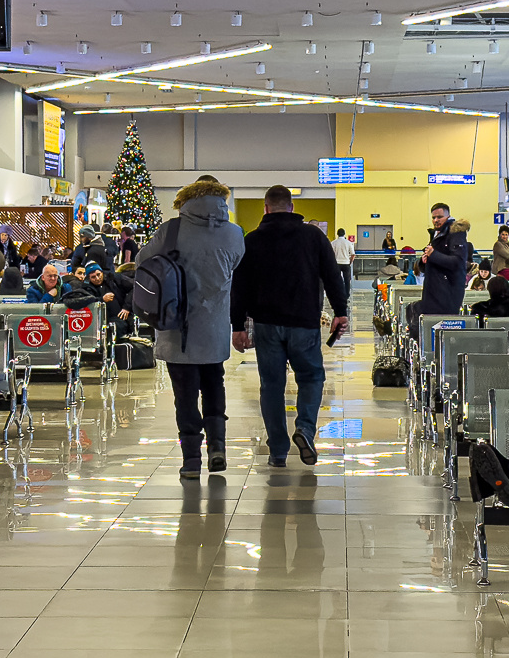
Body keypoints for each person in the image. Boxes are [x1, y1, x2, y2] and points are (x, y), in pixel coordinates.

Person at [231, 185, 348, 466]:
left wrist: (237, 326)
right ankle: (305, 429)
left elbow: (240, 286)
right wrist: (340, 312)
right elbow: (333, 275)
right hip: (304, 322)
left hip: (266, 324)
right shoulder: (313, 236)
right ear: (292, 207)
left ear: (266, 208)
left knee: (271, 385)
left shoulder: (252, 240)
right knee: (311, 378)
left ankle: (278, 451)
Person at [137, 179, 244, 476]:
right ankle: (217, 448)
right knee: (214, 387)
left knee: (184, 397)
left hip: (176, 329)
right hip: (215, 328)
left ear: (187, 198)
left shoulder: (170, 230)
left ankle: (191, 460)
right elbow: (235, 266)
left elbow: (142, 261)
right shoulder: (234, 233)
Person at [416, 202, 473, 318]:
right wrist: (424, 261)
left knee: (444, 325)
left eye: (439, 217)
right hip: (434, 291)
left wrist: (433, 254)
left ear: (448, 216)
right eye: (433, 217)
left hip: (447, 294)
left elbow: (458, 262)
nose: (436, 220)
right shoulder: (438, 234)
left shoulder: (456, 233)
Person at [330, 227, 355, 310]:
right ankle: (346, 295)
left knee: (336, 280)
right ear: (344, 234)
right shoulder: (348, 243)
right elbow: (353, 254)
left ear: (337, 234)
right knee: (347, 280)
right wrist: (350, 262)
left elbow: (330, 254)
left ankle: (337, 294)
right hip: (346, 263)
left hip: (336, 263)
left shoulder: (333, 243)